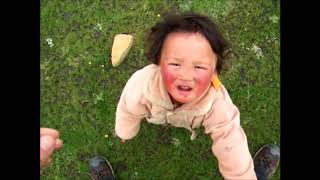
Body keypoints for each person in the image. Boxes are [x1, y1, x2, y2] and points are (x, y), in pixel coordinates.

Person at [112, 12, 279, 180]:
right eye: (175, 64)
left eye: (199, 67)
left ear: (215, 71)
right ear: (158, 63)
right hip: (157, 116)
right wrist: (125, 132)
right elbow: (127, 109)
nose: (185, 75)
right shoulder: (142, 85)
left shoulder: (218, 104)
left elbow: (231, 143)